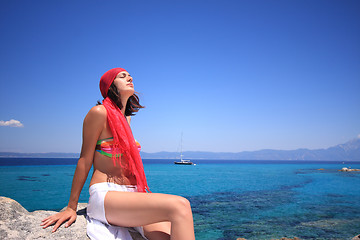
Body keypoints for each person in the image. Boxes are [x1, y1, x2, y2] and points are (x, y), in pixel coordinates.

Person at [41, 68, 195, 240]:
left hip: (132, 195)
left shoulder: (125, 119)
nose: (129, 78)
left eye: (130, 76)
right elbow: (84, 160)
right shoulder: (99, 113)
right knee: (180, 206)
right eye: (122, 76)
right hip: (107, 195)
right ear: (110, 86)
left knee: (169, 234)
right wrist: (71, 207)